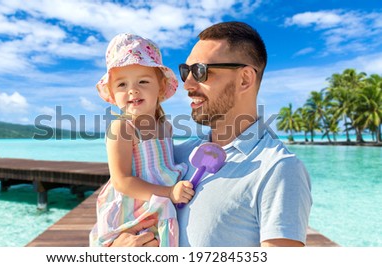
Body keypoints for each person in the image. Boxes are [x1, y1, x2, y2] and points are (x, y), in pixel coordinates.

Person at [110, 21, 312, 247]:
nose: (187, 84)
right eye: (186, 71)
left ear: (244, 79)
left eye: (200, 71)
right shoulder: (175, 155)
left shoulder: (278, 170)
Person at [89, 33, 194, 247]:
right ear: (111, 92)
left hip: (160, 202)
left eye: (143, 81)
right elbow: (122, 181)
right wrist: (169, 193)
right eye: (121, 85)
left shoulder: (165, 126)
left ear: (161, 86)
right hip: (132, 208)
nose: (132, 90)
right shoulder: (122, 128)